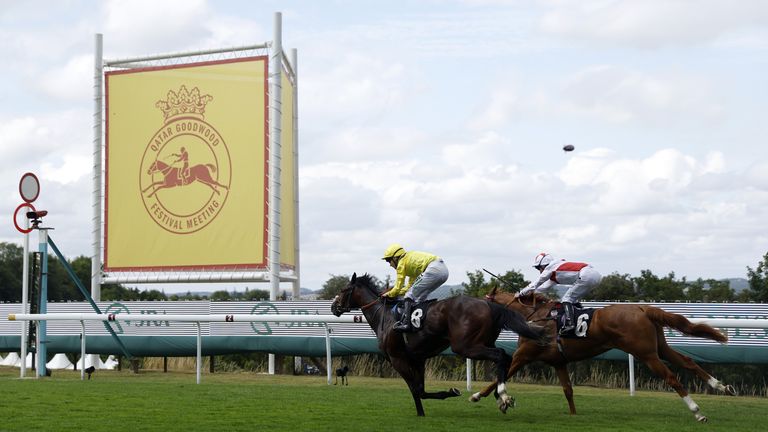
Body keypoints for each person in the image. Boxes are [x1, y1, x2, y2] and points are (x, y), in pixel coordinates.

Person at [517, 252, 602, 335]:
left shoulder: (550, 267)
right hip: (595, 276)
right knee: (572, 300)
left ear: (544, 265)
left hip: (586, 275)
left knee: (566, 299)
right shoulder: (555, 272)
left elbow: (536, 283)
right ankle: (579, 320)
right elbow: (541, 288)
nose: (539, 270)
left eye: (538, 268)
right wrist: (530, 293)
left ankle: (570, 324)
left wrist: (520, 293)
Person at [380, 243, 449, 332]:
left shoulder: (402, 263)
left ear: (395, 257)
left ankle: (406, 323)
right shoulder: (410, 262)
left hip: (433, 269)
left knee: (410, 295)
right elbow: (410, 286)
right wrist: (397, 292)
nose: (389, 264)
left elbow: (398, 287)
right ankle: (422, 321)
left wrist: (388, 294)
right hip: (443, 271)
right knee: (419, 297)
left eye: (389, 260)